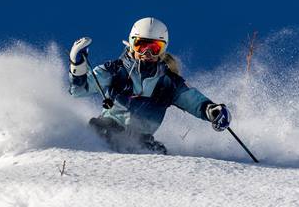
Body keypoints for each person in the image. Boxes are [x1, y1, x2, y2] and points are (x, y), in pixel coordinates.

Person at [68, 17, 231, 154]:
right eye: (141, 46)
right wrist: (78, 63)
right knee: (102, 132)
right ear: (131, 43)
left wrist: (212, 110)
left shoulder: (168, 82)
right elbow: (78, 90)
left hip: (141, 139)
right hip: (108, 128)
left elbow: (192, 100)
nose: (147, 54)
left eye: (154, 48)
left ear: (163, 49)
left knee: (158, 153)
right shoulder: (115, 70)